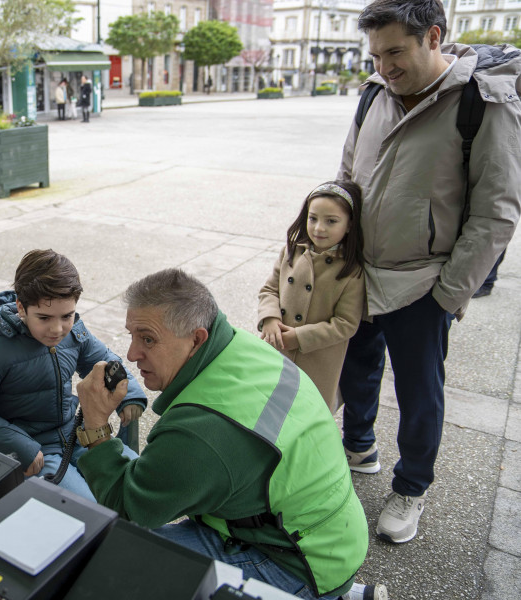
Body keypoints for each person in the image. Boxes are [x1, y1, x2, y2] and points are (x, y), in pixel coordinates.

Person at [74, 269, 382, 600]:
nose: (132, 354)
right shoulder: (241, 346)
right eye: (131, 335)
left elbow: (131, 507)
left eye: (147, 339)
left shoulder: (199, 434)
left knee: (112, 562)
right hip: (330, 535)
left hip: (291, 561)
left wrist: (95, 426)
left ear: (197, 338)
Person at [337, 0, 521, 544]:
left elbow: (497, 211)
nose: (384, 67)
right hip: (359, 274)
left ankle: (411, 487)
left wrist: (449, 293)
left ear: (433, 36)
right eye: (375, 54)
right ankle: (358, 447)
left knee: (420, 393)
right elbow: (347, 173)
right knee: (355, 370)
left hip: (424, 284)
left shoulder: (483, 104)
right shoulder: (374, 94)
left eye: (395, 52)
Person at [0, 249, 147, 501]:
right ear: (21, 307)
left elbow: (106, 362)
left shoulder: (74, 334)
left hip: (78, 434)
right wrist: (20, 446)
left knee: (138, 484)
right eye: (44, 317)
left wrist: (130, 395)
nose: (57, 329)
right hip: (38, 451)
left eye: (67, 316)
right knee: (89, 509)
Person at [258, 181, 366, 414]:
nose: (319, 228)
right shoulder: (291, 251)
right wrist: (269, 318)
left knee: (306, 415)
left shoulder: (351, 271)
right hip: (277, 348)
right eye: (313, 218)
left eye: (331, 221)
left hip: (317, 360)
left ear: (349, 225)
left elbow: (346, 324)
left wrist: (300, 337)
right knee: (268, 408)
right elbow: (269, 290)